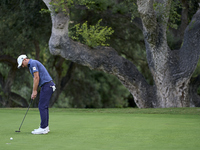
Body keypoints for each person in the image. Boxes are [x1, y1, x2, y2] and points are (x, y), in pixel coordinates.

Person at [17, 54, 56, 134]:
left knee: (42, 106)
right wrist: (34, 91)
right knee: (43, 106)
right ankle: (45, 127)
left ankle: (43, 128)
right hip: (47, 86)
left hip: (47, 85)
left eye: (22, 64)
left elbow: (36, 78)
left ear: (24, 59)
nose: (23, 66)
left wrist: (34, 91)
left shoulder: (33, 63)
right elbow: (36, 79)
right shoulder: (32, 65)